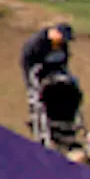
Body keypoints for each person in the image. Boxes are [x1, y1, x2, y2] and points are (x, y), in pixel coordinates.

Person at [20, 21, 81, 150]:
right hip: (40, 77)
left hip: (56, 75)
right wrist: (32, 84)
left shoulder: (62, 45)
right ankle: (40, 128)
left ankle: (64, 128)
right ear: (55, 33)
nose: (64, 42)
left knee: (71, 93)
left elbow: (63, 63)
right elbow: (27, 66)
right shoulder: (36, 44)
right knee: (42, 100)